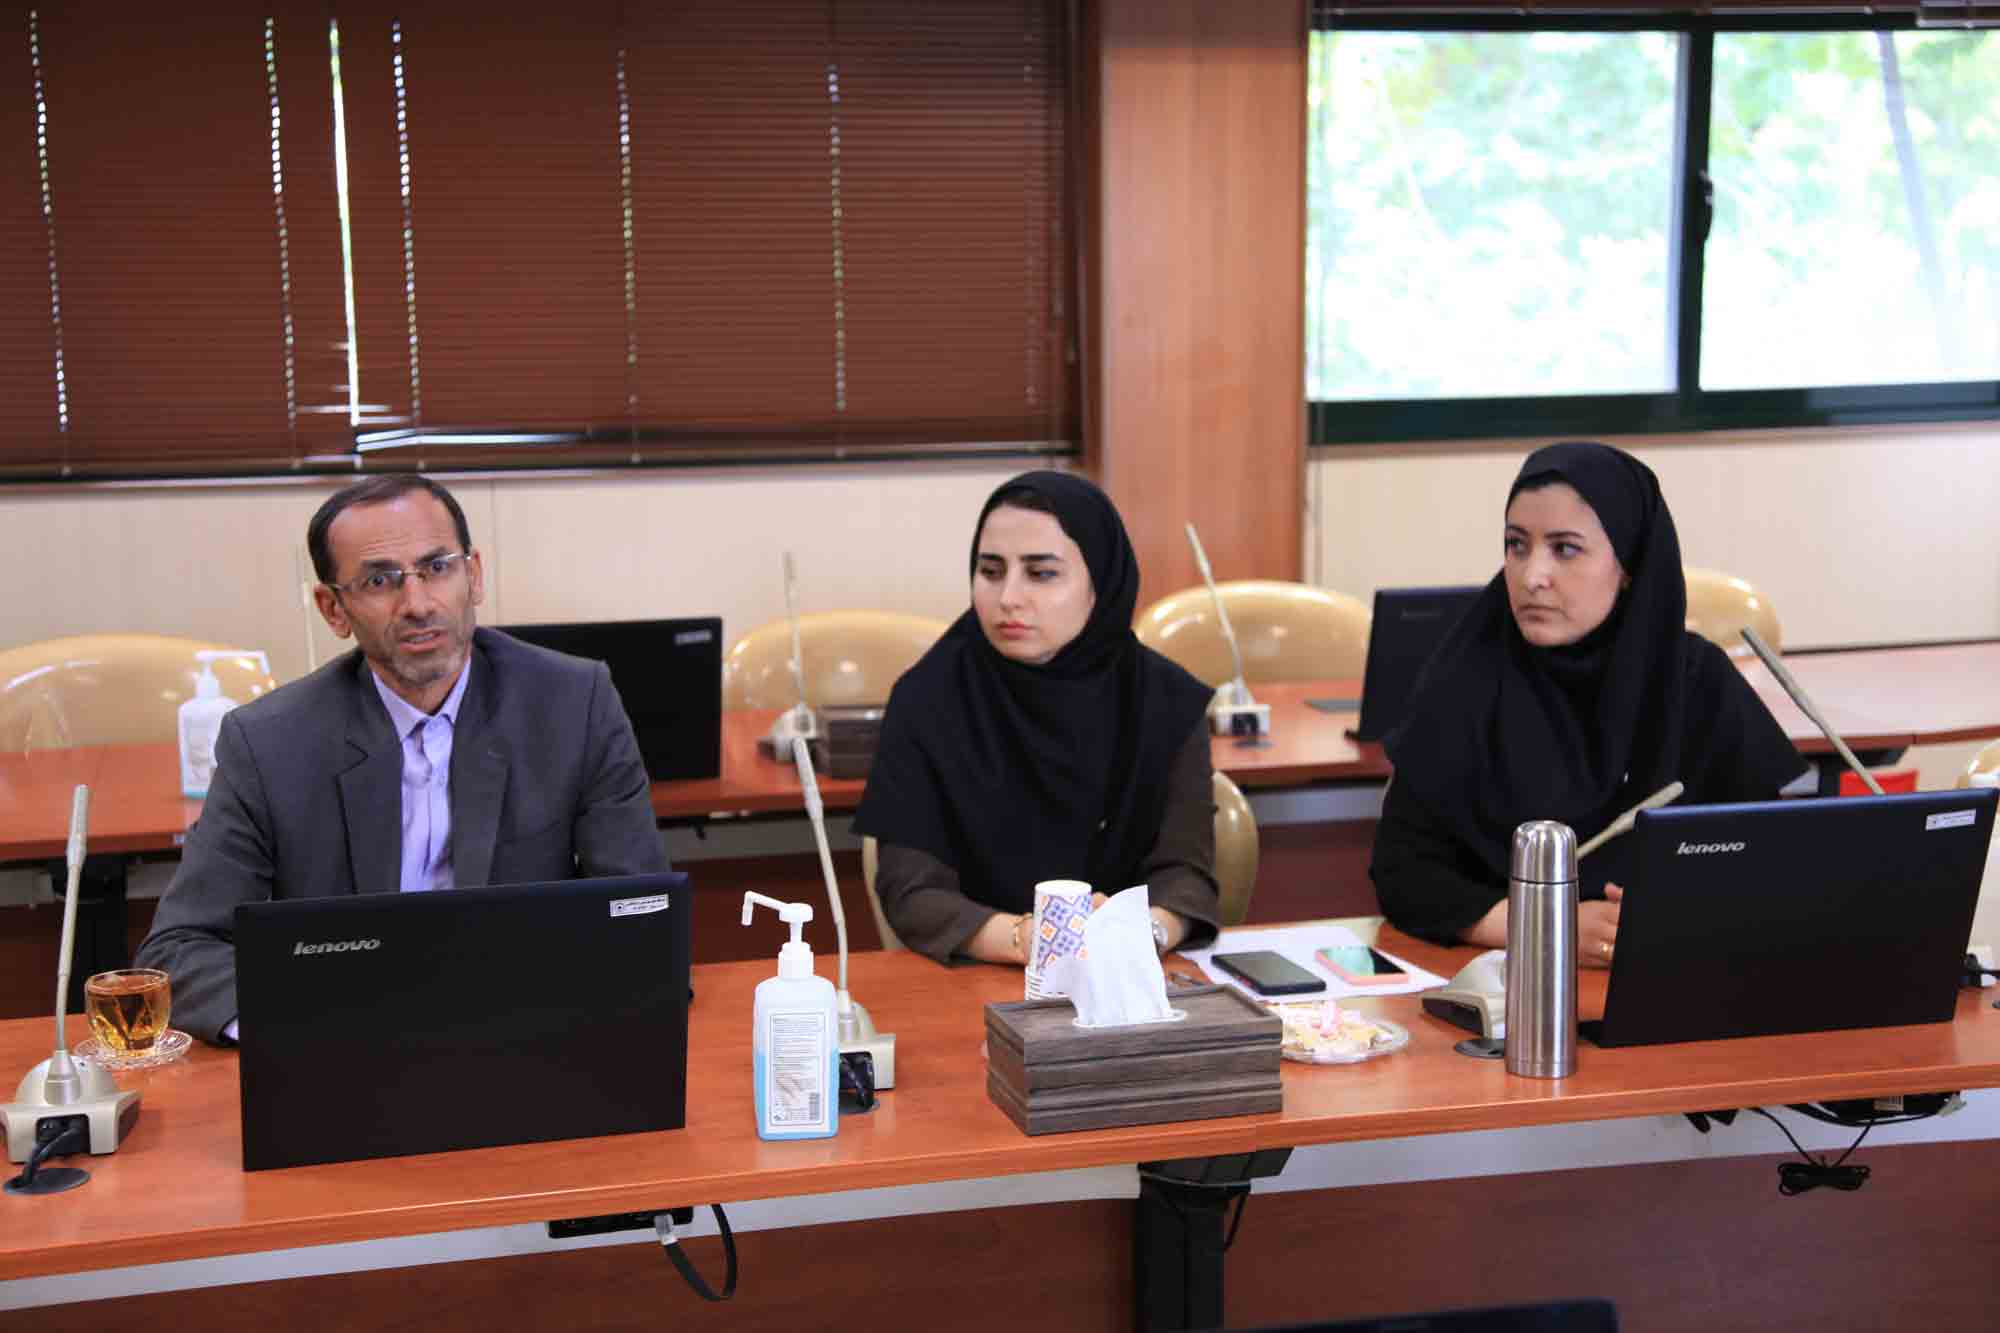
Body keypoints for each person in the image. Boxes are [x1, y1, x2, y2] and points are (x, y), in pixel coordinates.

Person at [137, 474, 666, 1044]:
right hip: (346, 1042)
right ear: (333, 609)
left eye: (437, 567)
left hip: (523, 1029)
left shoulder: (573, 704)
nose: (417, 604)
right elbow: (179, 951)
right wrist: (313, 1021)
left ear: (474, 576)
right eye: (379, 580)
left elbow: (642, 914)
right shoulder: (268, 743)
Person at [1371, 441, 1805, 962]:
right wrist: (1542, 924)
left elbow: (1767, 859)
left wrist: (1679, 917)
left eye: (1565, 549)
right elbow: (1404, 874)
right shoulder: (1467, 673)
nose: (1532, 576)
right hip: (1503, 983)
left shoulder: (1695, 681)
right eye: (1516, 545)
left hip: (1673, 972)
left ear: (1628, 566)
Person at [852, 471, 1220, 965]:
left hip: (1126, 976)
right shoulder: (927, 698)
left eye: (1041, 574)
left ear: (1100, 582)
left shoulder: (1165, 701)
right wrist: (1031, 939)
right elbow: (912, 890)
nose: (1008, 598)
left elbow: (1186, 876)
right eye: (991, 571)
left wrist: (1142, 932)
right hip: (978, 973)